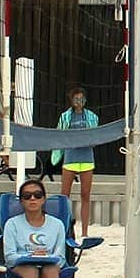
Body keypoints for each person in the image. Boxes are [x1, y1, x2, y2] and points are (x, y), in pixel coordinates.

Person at [3, 179, 67, 278]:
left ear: (44, 199)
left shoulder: (57, 225)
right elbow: (9, 256)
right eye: (27, 196)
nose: (33, 199)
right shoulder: (12, 224)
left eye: (37, 195)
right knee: (31, 272)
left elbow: (60, 256)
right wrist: (29, 257)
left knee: (52, 272)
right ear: (21, 201)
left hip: (49, 263)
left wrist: (46, 258)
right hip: (21, 264)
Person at [52, 87, 99, 237]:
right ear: (72, 101)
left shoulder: (92, 117)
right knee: (64, 196)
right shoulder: (65, 117)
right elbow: (59, 136)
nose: (79, 102)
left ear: (85, 100)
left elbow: (95, 137)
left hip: (86, 158)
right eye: (76, 99)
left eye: (81, 99)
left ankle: (84, 233)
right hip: (70, 158)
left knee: (85, 195)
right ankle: (63, 231)